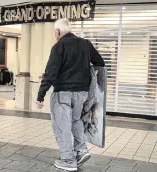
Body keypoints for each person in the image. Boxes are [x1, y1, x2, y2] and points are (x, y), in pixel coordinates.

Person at [36, 18, 105, 171]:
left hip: (63, 94)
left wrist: (41, 95)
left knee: (62, 127)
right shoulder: (85, 44)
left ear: (58, 31)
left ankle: (67, 160)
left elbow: (50, 73)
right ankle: (81, 150)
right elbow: (100, 63)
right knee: (76, 121)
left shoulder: (59, 46)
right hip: (81, 93)